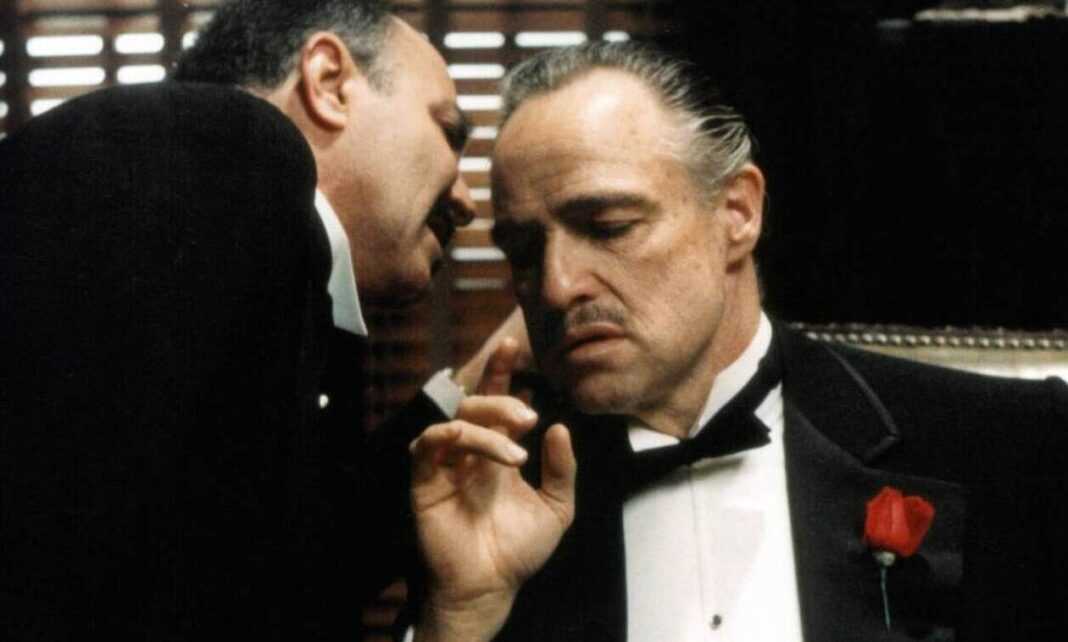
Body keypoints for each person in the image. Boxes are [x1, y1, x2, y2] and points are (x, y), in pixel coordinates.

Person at [406, 42, 1068, 641]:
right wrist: (459, 617)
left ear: (738, 213)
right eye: (524, 252)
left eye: (608, 226)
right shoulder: (484, 505)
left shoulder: (1004, 445)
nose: (555, 287)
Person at [0, 0, 506, 639]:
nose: (466, 200)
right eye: (449, 132)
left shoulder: (272, 278)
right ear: (329, 81)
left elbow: (266, 564)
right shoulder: (229, 147)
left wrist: (464, 389)